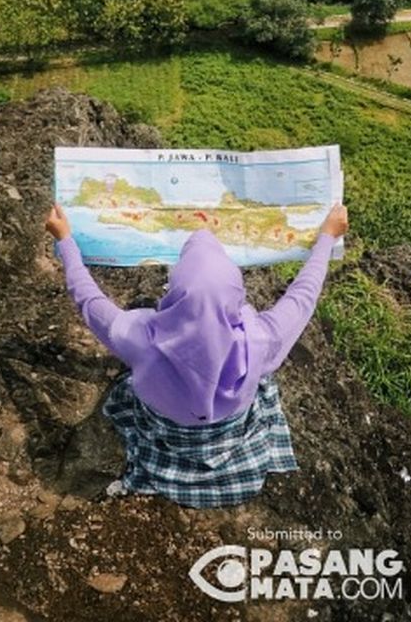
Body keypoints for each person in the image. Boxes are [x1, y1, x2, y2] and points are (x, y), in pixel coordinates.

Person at [45, 199, 349, 508]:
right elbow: (303, 296)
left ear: (174, 292)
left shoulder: (138, 339)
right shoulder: (262, 340)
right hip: (230, 430)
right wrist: (327, 237)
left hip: (167, 430)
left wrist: (65, 240)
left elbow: (87, 298)